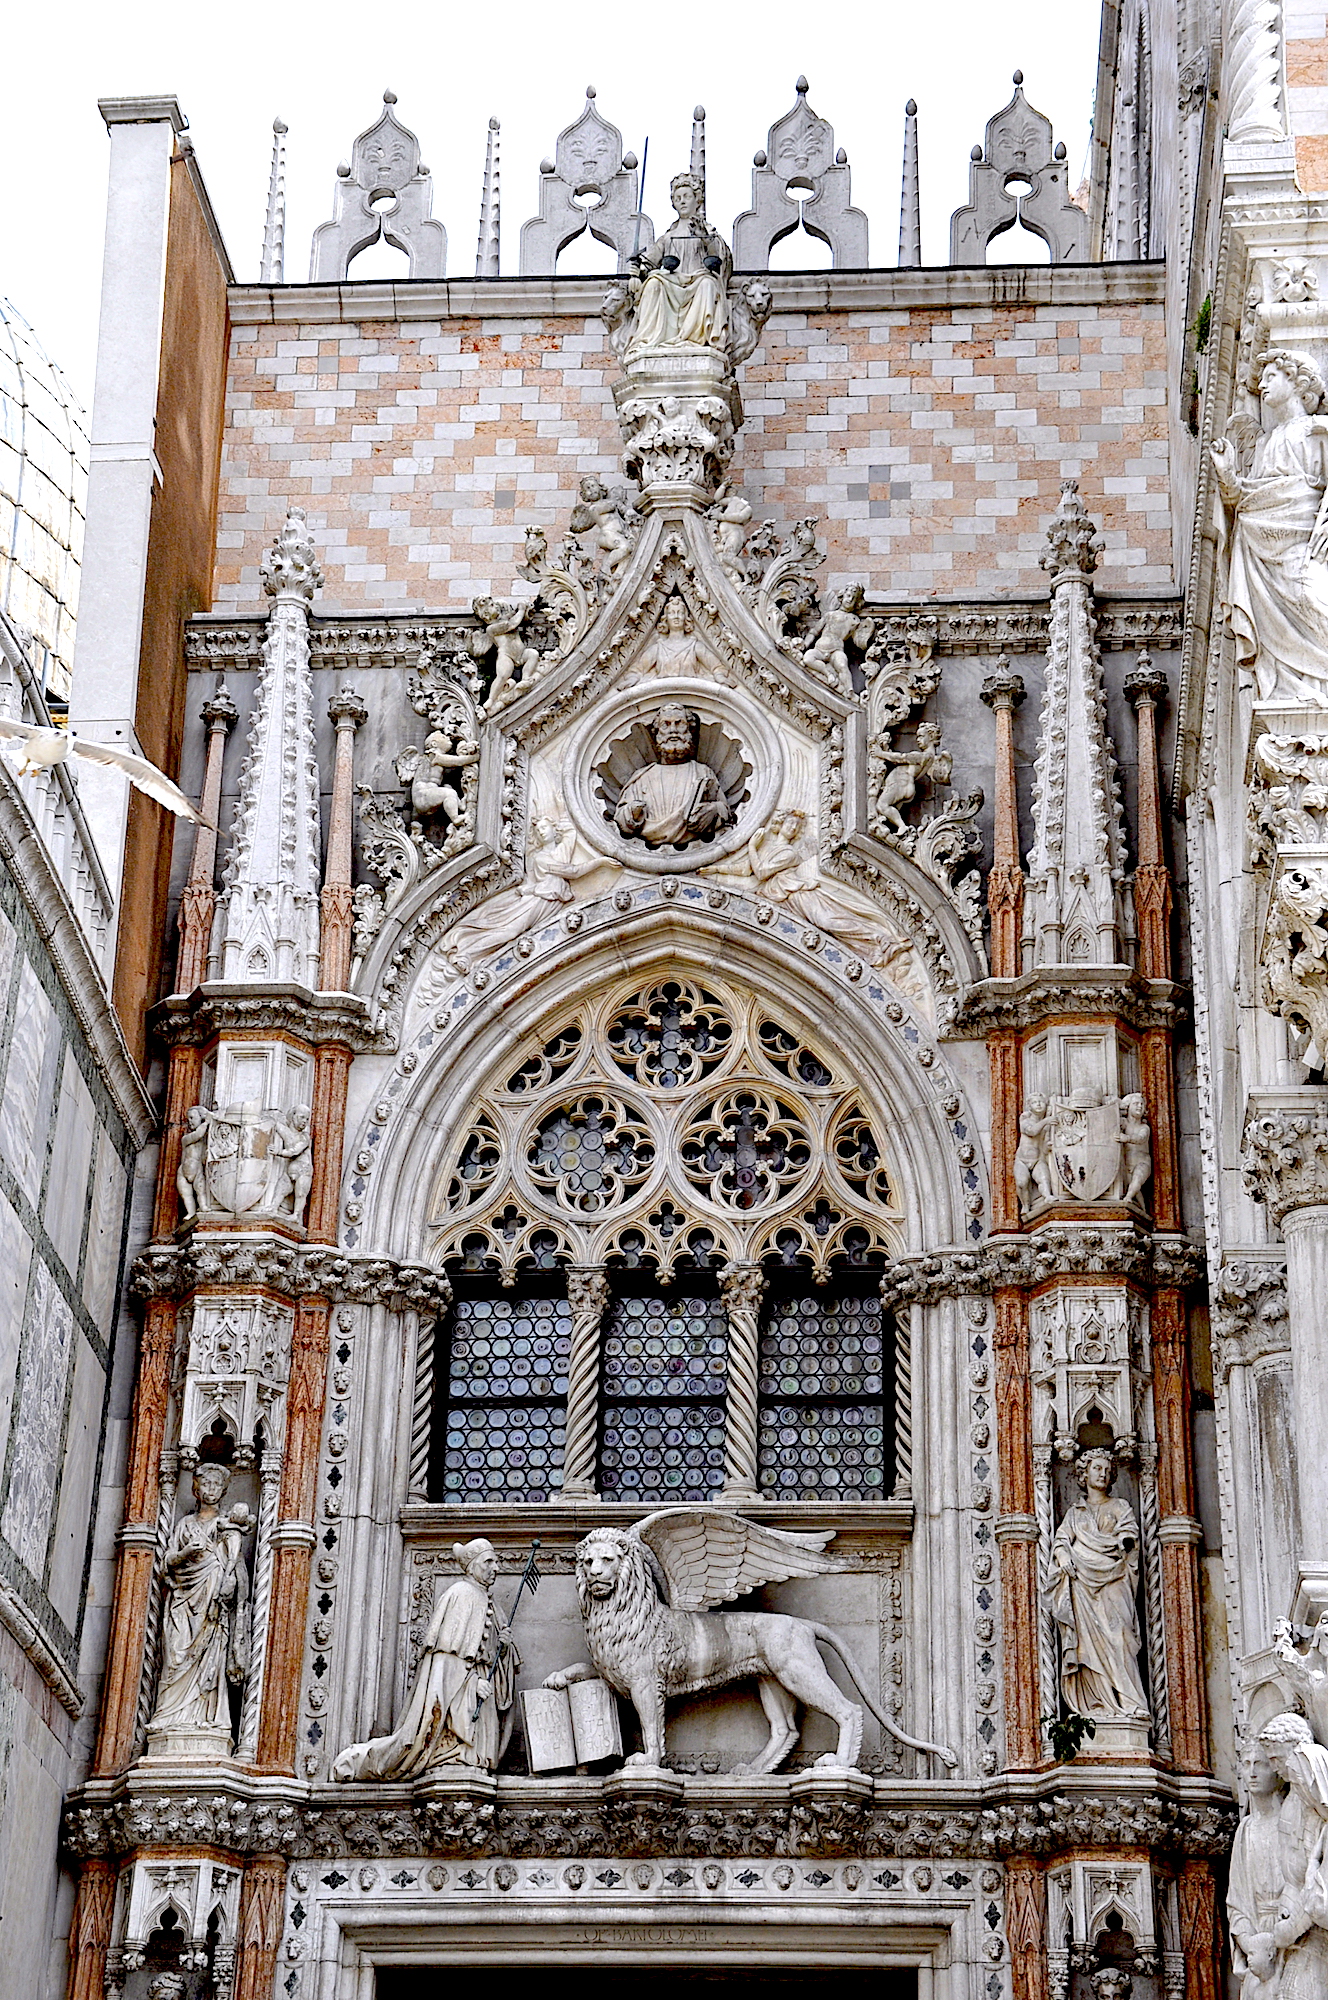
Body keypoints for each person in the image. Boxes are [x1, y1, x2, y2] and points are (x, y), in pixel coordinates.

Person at [333, 1538, 517, 1778]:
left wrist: (503, 1648)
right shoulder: (460, 1595)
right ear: (473, 1565)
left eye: (497, 1561)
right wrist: (472, 1685)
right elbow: (445, 1662)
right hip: (463, 1689)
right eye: (489, 1562)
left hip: (481, 1689)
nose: (496, 1568)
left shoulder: (490, 1601)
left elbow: (492, 1657)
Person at [1211, 348, 1328, 702]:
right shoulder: (1264, 444)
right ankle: (1301, 685)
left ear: (1296, 381)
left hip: (1301, 539)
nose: (1262, 385)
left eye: (1271, 377)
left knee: (1312, 598)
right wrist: (1227, 474)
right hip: (1263, 547)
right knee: (1293, 607)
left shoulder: (1315, 430)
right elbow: (1248, 498)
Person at [148, 1464, 252, 1743]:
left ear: (224, 1490)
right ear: (196, 1489)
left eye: (216, 1486)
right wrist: (185, 1553)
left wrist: (228, 1583)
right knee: (175, 1653)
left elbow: (235, 1567)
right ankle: (168, 1717)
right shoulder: (185, 1524)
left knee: (211, 1657)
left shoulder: (227, 1527)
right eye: (205, 1485)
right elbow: (166, 1563)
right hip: (183, 1599)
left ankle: (208, 1719)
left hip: (212, 1604)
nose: (210, 1491)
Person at [1047, 1448, 1150, 1723]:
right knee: (1085, 1648)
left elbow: (1129, 1534)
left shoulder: (1119, 1507)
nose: (1102, 1473)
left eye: (1106, 1469)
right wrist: (1063, 1554)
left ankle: (1130, 1703)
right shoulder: (1075, 1513)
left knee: (1121, 1638)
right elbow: (1061, 1540)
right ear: (1084, 1474)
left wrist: (1125, 1542)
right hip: (1082, 1583)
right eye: (1096, 1468)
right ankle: (1096, 1703)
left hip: (1114, 1581)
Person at [627, 173, 731, 357]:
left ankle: (697, 339)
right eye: (678, 198)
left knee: (708, 284)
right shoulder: (669, 235)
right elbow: (650, 261)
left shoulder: (708, 231)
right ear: (673, 202)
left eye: (687, 196)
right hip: (673, 282)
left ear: (697, 200)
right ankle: (648, 340)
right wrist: (638, 271)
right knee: (653, 283)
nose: (682, 201)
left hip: (697, 280)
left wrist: (704, 237)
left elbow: (719, 259)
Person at [613, 705, 732, 847]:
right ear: (657, 733)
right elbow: (621, 817)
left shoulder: (703, 772)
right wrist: (633, 813)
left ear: (689, 730)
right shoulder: (641, 778)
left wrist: (713, 810)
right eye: (666, 725)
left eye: (679, 723)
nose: (673, 730)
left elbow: (724, 809)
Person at [1229, 1735, 1290, 1997]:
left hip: (1291, 1935)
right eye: (1246, 1764)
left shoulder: (1292, 1823)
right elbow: (1237, 1902)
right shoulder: (1246, 1830)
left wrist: (1278, 1939)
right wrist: (1251, 1945)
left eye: (1261, 1764)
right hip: (1256, 1945)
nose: (1252, 1772)